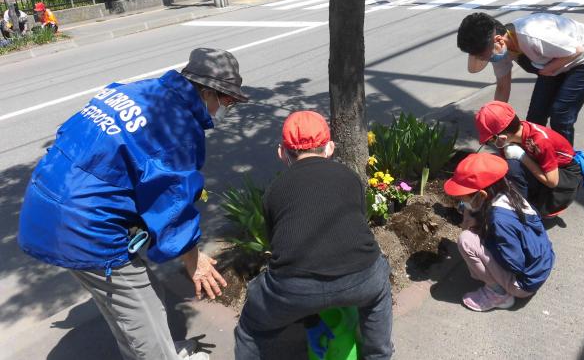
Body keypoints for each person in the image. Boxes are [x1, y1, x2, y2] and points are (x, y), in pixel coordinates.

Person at [18, 47, 249, 360]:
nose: (228, 107)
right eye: (227, 100)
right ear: (207, 93)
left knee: (131, 300)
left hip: (48, 200)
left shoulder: (138, 90)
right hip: (84, 227)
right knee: (142, 312)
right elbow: (171, 205)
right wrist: (193, 260)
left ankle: (158, 352)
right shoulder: (178, 129)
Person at [234, 111, 393, 360]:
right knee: (379, 291)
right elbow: (358, 225)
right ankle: (379, 355)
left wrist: (309, 314)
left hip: (294, 288)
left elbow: (280, 248)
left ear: (281, 153)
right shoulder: (350, 177)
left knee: (249, 328)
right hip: (362, 278)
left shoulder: (275, 190)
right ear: (329, 148)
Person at [457, 12, 584, 144]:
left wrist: (549, 69)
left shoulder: (533, 35)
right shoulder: (499, 49)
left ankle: (566, 166)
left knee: (561, 116)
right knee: (535, 118)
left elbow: (577, 50)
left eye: (483, 56)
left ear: (498, 40)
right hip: (553, 63)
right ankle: (538, 157)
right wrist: (495, 121)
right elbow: (503, 87)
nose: (485, 60)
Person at [444, 153, 554, 312]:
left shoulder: (499, 220)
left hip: (524, 282)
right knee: (470, 216)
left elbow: (515, 262)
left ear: (482, 194)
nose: (461, 200)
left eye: (464, 197)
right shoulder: (509, 192)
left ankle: (498, 294)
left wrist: (488, 240)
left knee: (466, 240)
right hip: (541, 262)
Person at [475, 100, 584, 218]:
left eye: (490, 140)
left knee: (512, 167)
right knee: (502, 163)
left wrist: (523, 157)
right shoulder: (519, 132)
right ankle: (519, 199)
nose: (491, 143)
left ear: (502, 137)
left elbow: (552, 182)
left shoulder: (539, 141)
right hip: (545, 167)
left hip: (562, 180)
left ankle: (524, 213)